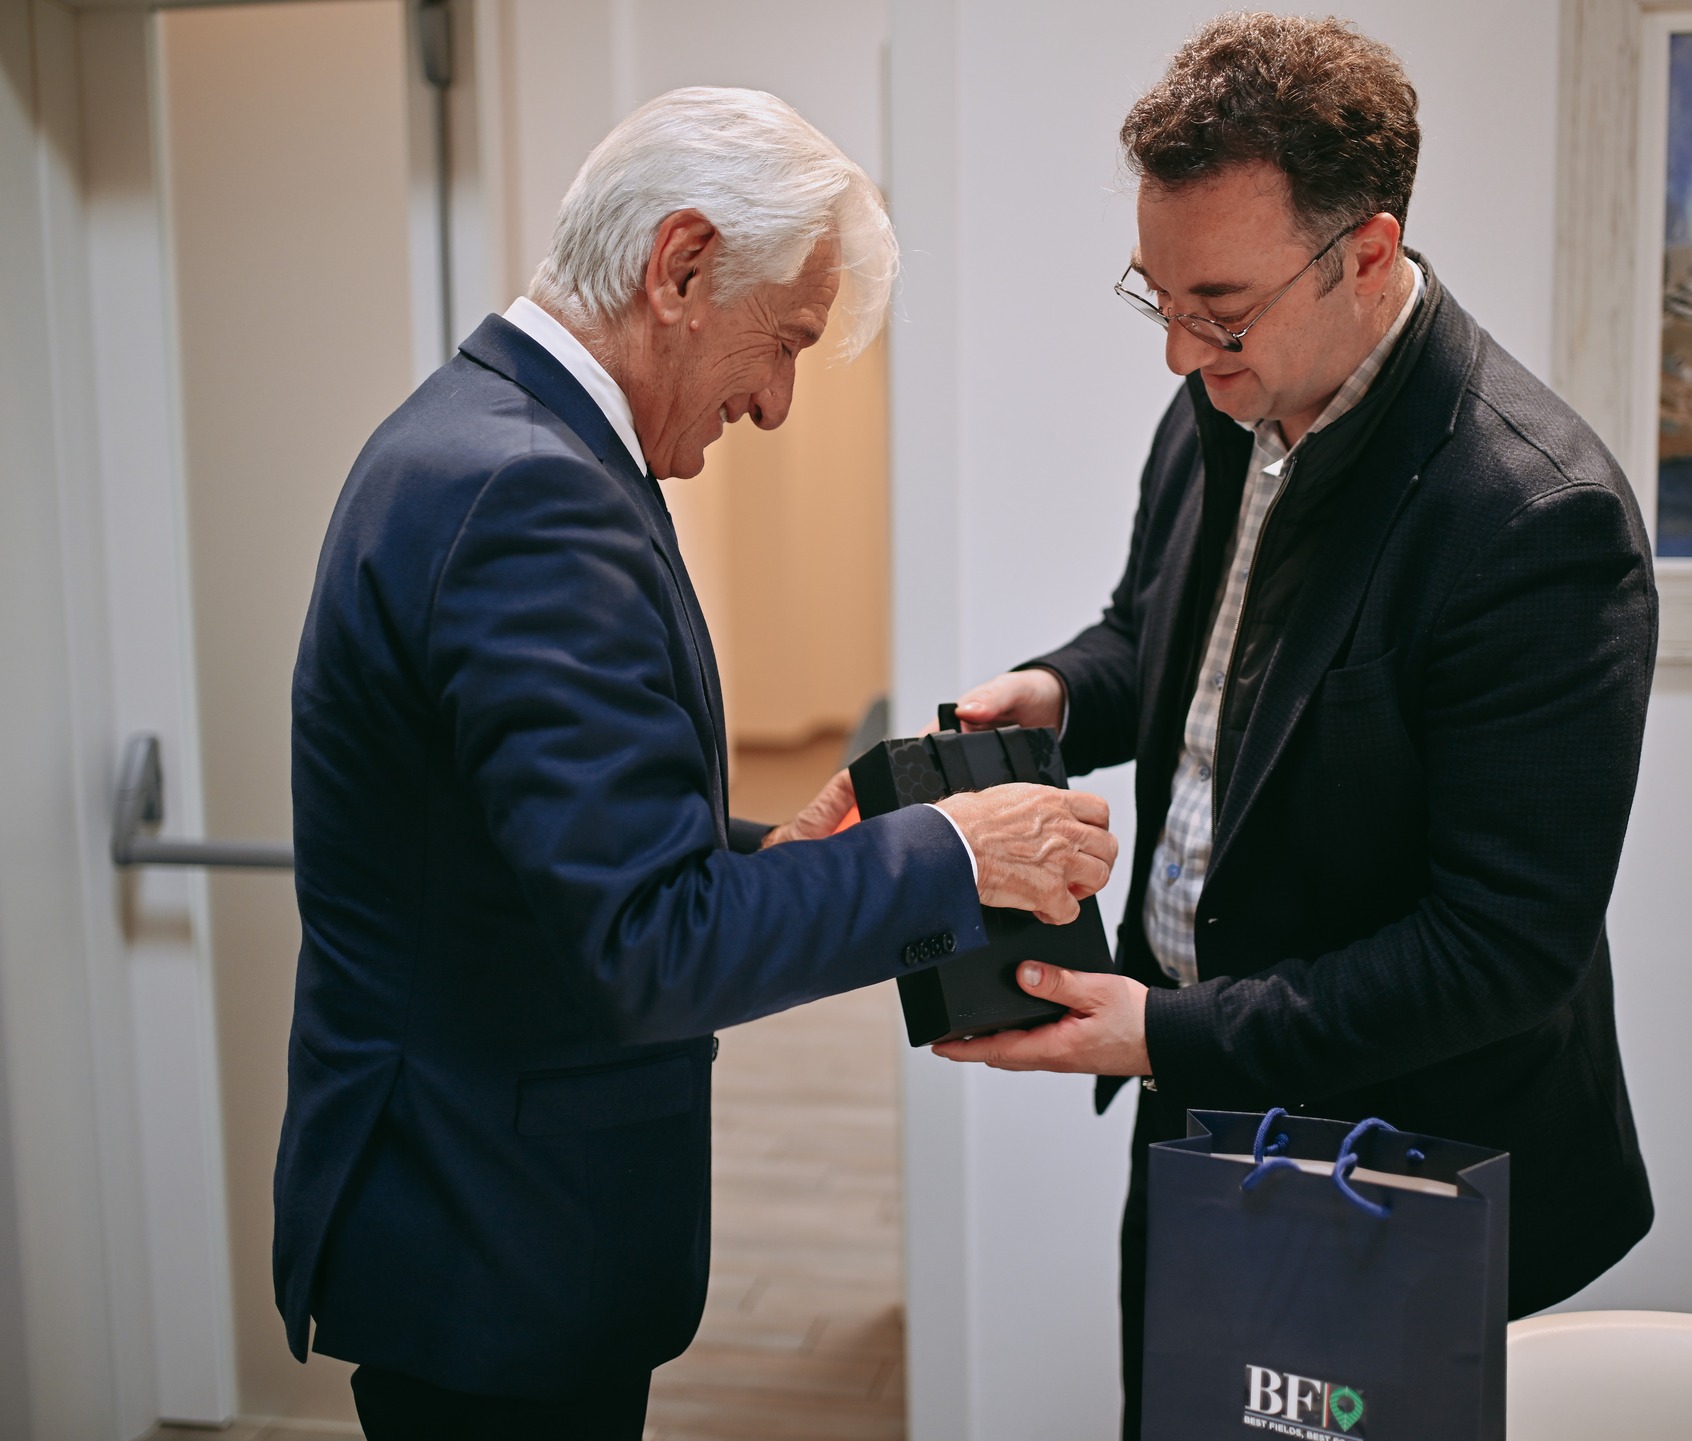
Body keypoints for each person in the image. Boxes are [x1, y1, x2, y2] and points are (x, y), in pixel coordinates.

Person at [274, 87, 1117, 1439]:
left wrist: (769, 857)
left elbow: (540, 841)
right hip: (489, 1240)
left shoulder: (493, 440)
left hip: (479, 1216)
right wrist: (957, 853)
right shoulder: (528, 494)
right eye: (784, 342)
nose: (776, 404)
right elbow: (649, 943)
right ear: (679, 266)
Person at [932, 16, 1657, 1437]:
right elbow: (1174, 640)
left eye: (1220, 307)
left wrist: (1170, 1031)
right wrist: (1063, 692)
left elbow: (1502, 948)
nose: (1178, 352)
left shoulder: (1534, 518)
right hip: (1202, 1104)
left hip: (1411, 1165)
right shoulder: (1231, 394)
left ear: (1368, 255)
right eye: (1157, 298)